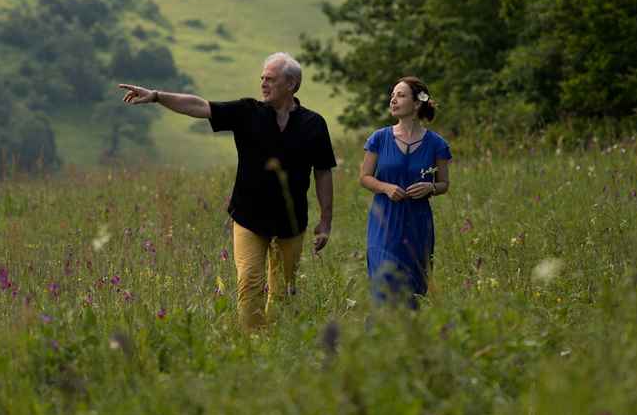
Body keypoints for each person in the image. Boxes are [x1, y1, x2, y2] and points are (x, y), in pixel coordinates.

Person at [118, 52, 335, 330]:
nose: (263, 84)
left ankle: (275, 343)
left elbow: (323, 172)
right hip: (249, 218)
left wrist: (326, 221)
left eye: (270, 79)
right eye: (262, 79)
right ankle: (253, 344)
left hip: (291, 224)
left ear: (291, 84)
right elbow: (200, 106)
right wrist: (157, 96)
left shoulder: (313, 124)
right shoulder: (248, 112)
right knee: (249, 283)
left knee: (283, 292)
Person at [359, 76, 450, 306]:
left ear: (417, 103)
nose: (393, 100)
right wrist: (386, 187)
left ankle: (409, 339)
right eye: (392, 96)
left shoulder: (437, 144)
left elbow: (444, 184)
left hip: (418, 222)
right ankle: (379, 335)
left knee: (413, 289)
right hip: (384, 220)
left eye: (400, 95)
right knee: (384, 282)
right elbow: (364, 178)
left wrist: (431, 187)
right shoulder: (379, 138)